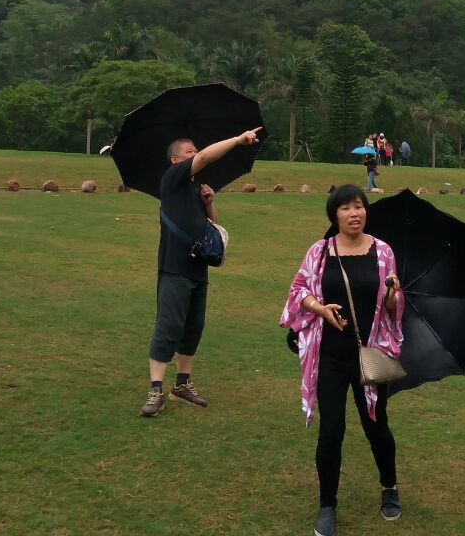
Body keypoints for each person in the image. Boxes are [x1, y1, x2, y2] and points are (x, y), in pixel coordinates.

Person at [280, 185, 405, 536]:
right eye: (347, 208)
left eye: (360, 206)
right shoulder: (320, 252)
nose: (355, 213)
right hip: (330, 356)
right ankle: (327, 506)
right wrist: (320, 308)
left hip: (371, 353)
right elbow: (298, 292)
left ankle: (389, 487)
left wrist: (393, 293)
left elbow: (393, 311)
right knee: (331, 431)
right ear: (334, 214)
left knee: (376, 426)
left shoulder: (383, 252)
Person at [139, 126, 261, 418]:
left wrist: (209, 204)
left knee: (193, 327)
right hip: (173, 268)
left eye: (195, 149)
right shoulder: (171, 179)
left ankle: (182, 384)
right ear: (175, 160)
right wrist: (238, 139)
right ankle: (156, 389)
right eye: (189, 151)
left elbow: (213, 229)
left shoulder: (194, 190)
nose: (195, 154)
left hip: (197, 270)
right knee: (169, 326)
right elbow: (206, 157)